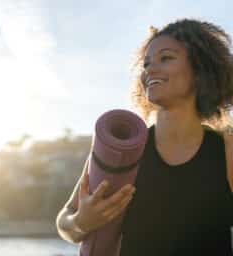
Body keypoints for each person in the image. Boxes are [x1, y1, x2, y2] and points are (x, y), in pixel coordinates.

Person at [56, 18, 233, 255]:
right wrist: (82, 222)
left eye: (166, 58)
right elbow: (65, 220)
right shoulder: (123, 149)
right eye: (146, 63)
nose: (149, 69)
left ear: (201, 70)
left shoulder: (227, 151)